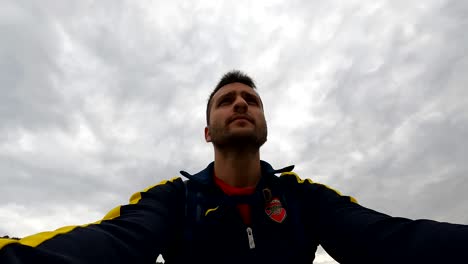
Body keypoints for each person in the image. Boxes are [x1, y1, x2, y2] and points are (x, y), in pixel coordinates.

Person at [1, 70, 467, 264]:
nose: (240, 103)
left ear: (264, 123)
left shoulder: (302, 196)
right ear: (208, 132)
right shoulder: (175, 198)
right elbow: (109, 245)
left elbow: (391, 239)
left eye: (251, 100)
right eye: (226, 101)